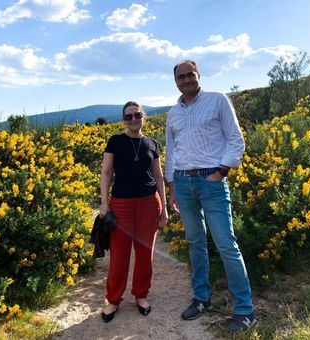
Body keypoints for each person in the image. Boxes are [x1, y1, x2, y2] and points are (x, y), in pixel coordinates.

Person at [165, 60, 255, 333]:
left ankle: (244, 311)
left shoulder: (217, 101)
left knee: (226, 244)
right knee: (195, 243)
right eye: (181, 76)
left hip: (211, 181)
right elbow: (172, 151)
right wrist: (172, 186)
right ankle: (201, 298)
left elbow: (235, 139)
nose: (186, 79)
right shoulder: (172, 113)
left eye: (190, 74)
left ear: (198, 75)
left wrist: (222, 170)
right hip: (183, 182)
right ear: (175, 81)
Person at [99, 101, 168, 323]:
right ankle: (113, 299)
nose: (133, 119)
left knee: (145, 253)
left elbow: (158, 176)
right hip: (121, 204)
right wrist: (103, 204)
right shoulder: (116, 141)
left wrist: (164, 207)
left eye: (137, 114)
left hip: (149, 203)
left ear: (143, 116)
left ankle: (140, 295)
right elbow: (106, 172)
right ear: (124, 120)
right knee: (119, 254)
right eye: (128, 116)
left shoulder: (152, 143)